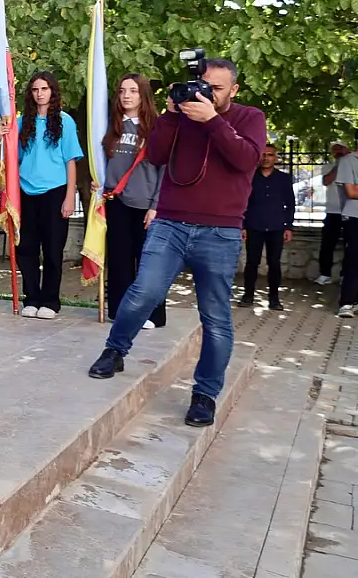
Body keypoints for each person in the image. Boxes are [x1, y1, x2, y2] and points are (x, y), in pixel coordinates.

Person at [88, 57, 266, 429]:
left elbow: (245, 159)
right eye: (202, 86)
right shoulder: (180, 117)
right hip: (170, 223)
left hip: (220, 231)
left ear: (233, 90)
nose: (206, 94)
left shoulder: (249, 117)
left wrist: (212, 120)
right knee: (143, 293)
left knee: (215, 316)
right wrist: (171, 113)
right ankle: (115, 350)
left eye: (216, 89)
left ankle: (205, 394)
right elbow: (155, 155)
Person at [15, 72, 84, 318]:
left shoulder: (65, 122)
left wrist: (69, 196)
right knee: (26, 249)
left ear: (52, 91)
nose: (40, 93)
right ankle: (31, 298)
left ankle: (50, 301)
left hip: (55, 192)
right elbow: (13, 159)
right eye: (35, 89)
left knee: (53, 250)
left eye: (44, 88)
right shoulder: (22, 122)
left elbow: (70, 161)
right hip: (26, 192)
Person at [102, 74, 165, 328]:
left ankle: (151, 314)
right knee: (119, 260)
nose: (126, 96)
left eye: (133, 91)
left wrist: (155, 206)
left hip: (145, 205)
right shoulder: (110, 126)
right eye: (122, 90)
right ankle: (120, 311)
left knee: (149, 262)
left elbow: (165, 170)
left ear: (143, 95)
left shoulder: (157, 128)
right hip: (116, 201)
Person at [240, 144, 295, 310]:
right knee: (252, 263)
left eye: (270, 155)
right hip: (254, 226)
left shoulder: (284, 179)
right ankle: (248, 296)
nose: (266, 158)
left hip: (276, 227)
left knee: (274, 264)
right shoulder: (250, 177)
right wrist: (242, 225)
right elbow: (242, 202)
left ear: (275, 158)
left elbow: (290, 204)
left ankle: (274, 299)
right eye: (263, 155)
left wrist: (288, 226)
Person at [316, 142, 350, 285]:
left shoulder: (353, 165)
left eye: (340, 149)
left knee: (350, 245)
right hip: (332, 211)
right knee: (327, 244)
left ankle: (346, 275)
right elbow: (326, 181)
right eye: (335, 150)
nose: (338, 152)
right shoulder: (329, 166)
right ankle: (325, 274)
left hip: (350, 211)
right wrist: (338, 165)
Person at [335, 147, 358, 319]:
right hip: (354, 216)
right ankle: (347, 302)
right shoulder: (348, 161)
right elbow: (351, 192)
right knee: (354, 260)